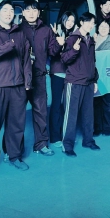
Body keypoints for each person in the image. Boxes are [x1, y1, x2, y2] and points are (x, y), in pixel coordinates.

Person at [0, 1, 32, 176]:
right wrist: (8, 45)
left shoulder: (20, 34)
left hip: (18, 86)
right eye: (5, 10)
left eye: (11, 10)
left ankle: (14, 156)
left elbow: (26, 59)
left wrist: (27, 81)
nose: (9, 13)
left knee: (16, 125)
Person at [20, 0, 62, 157]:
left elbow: (52, 52)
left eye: (34, 10)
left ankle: (41, 144)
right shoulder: (17, 30)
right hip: (20, 79)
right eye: (28, 10)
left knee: (41, 112)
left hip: (39, 77)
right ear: (23, 13)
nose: (31, 13)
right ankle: (13, 150)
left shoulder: (46, 30)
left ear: (38, 13)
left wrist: (59, 44)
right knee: (16, 115)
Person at [61, 12, 100, 156]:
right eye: (88, 22)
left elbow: (92, 62)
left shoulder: (91, 40)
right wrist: (74, 50)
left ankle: (88, 140)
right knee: (71, 116)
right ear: (82, 22)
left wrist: (94, 80)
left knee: (88, 114)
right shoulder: (72, 39)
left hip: (88, 83)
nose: (91, 25)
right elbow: (64, 59)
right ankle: (67, 145)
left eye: (93, 23)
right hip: (74, 82)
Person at [48, 11, 77, 148]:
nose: (70, 23)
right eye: (68, 20)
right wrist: (58, 41)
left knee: (68, 105)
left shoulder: (75, 35)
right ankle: (55, 137)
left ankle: (66, 135)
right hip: (58, 73)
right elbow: (52, 53)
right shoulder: (55, 33)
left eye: (72, 21)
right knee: (56, 104)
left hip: (71, 74)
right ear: (63, 20)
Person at [93, 20, 110, 136]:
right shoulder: (92, 39)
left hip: (107, 76)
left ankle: (107, 128)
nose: (103, 28)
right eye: (101, 26)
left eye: (106, 27)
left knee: (108, 102)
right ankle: (97, 127)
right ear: (98, 28)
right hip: (94, 75)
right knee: (95, 101)